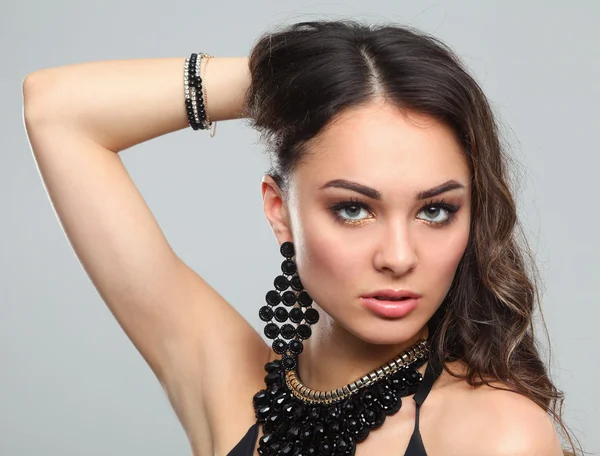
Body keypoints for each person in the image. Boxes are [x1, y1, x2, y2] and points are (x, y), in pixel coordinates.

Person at [22, 20, 582, 456]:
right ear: (279, 209)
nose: (399, 256)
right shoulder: (227, 386)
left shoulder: (495, 435)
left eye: (435, 210)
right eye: (353, 208)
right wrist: (307, 83)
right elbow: (57, 110)